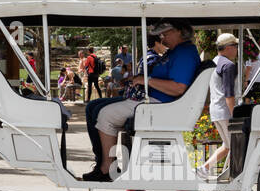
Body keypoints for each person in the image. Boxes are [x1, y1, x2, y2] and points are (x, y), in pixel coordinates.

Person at [84, 20, 200, 182]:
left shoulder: (184, 54)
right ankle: (105, 164)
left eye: (166, 33)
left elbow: (178, 88)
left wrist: (146, 81)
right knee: (95, 106)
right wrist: (139, 79)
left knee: (104, 114)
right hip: (154, 99)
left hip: (159, 104)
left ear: (180, 32)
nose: (162, 37)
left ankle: (106, 168)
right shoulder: (176, 52)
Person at [198, 33, 238, 180]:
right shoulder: (228, 65)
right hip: (225, 110)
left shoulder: (214, 62)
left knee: (227, 146)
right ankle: (234, 178)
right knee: (237, 147)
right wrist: (235, 115)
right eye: (235, 46)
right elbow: (229, 94)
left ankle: (204, 169)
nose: (237, 49)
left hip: (215, 110)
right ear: (228, 48)